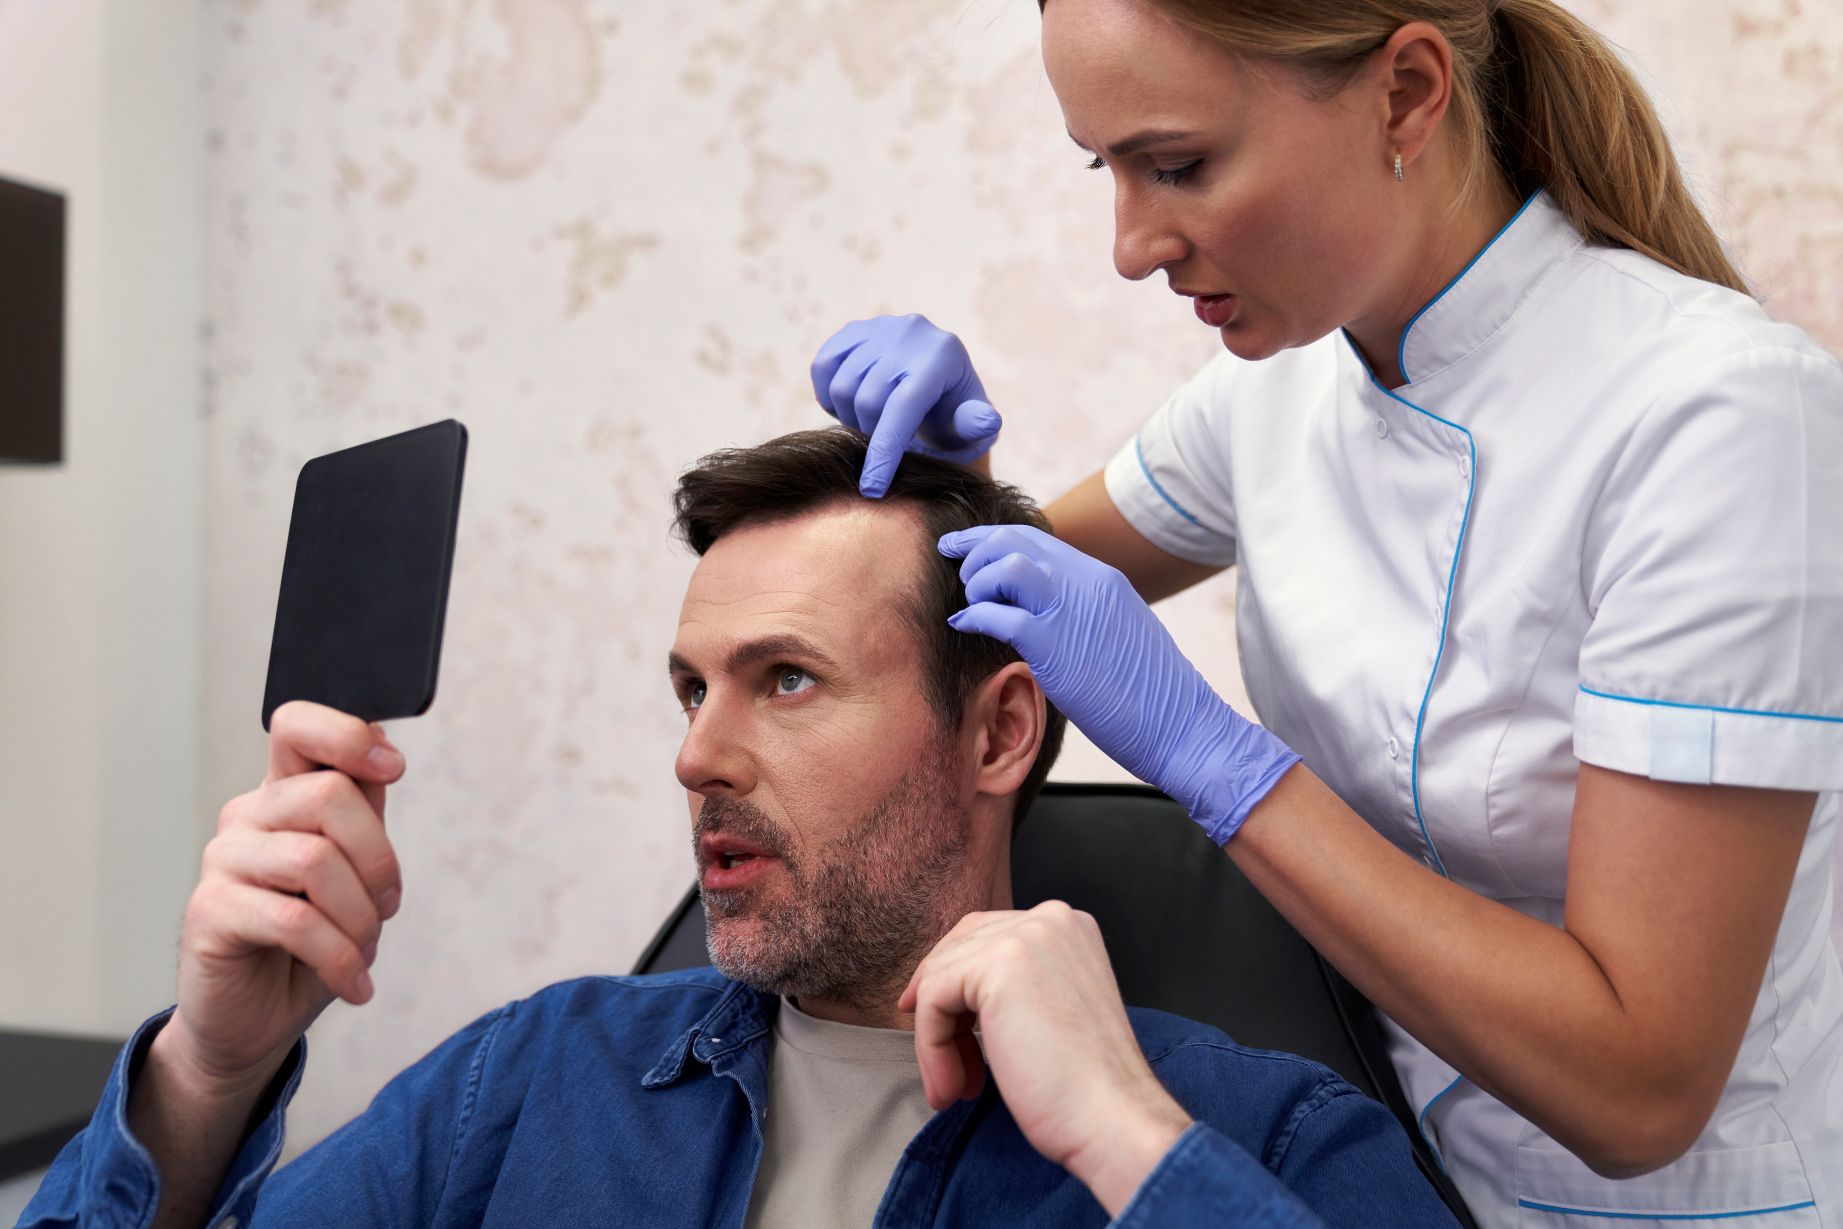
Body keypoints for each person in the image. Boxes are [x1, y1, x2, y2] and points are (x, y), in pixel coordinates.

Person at [808, 0, 1843, 1224]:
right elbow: (1000, 593)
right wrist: (950, 478)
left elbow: (1638, 1086)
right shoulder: (1291, 379)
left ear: (1405, 93)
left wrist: (1214, 759)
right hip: (1381, 1164)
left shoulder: (1715, 417)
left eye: (1177, 165)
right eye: (1109, 169)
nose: (1131, 245)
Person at [23, 429, 1457, 1229]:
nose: (696, 754)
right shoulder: (524, 1090)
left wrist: (1129, 1140)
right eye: (687, 688)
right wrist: (209, 1071)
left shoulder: (1255, 1132)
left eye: (784, 679)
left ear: (998, 733)